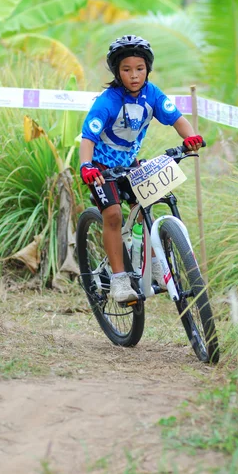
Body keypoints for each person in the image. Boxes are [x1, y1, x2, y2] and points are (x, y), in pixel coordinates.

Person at [79, 35, 203, 303]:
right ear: (117, 72)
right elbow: (88, 138)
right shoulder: (108, 101)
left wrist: (190, 138)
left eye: (139, 69)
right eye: (126, 70)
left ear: (147, 69)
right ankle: (120, 280)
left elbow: (177, 119)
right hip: (101, 167)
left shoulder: (153, 94)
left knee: (148, 204)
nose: (134, 75)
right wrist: (86, 165)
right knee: (112, 215)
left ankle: (156, 264)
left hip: (129, 163)